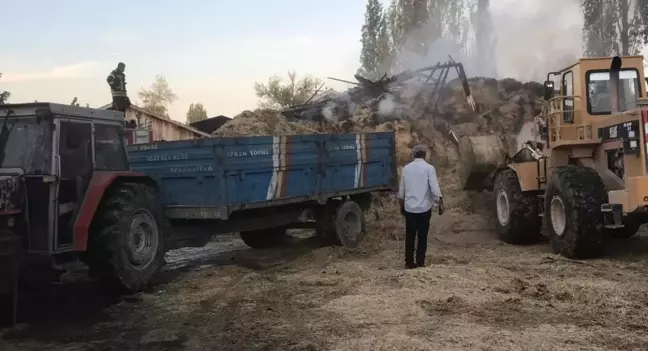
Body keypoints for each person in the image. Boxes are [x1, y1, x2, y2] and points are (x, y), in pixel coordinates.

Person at [398, 144, 444, 269]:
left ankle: (408, 262)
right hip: (424, 209)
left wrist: (401, 206)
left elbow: (402, 190)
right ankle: (420, 262)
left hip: (410, 208)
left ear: (413, 155)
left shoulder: (406, 169)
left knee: (410, 236)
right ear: (425, 155)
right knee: (422, 236)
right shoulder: (429, 168)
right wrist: (440, 203)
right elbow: (434, 188)